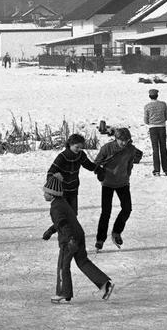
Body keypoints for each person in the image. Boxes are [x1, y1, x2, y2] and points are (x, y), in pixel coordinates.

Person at [42, 176, 114, 304]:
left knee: (63, 266)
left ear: (52, 194)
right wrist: (50, 231)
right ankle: (105, 285)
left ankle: (63, 293)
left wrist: (70, 239)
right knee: (83, 262)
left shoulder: (55, 208)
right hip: (79, 235)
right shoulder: (62, 202)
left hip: (69, 240)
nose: (44, 194)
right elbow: (63, 222)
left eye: (46, 192)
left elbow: (64, 225)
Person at [42, 134, 100, 240]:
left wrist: (98, 169)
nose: (79, 149)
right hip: (62, 192)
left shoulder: (80, 155)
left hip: (73, 189)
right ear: (70, 144)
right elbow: (51, 172)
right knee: (64, 216)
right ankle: (64, 236)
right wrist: (51, 187)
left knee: (72, 215)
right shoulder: (62, 156)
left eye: (81, 147)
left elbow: (88, 165)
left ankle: (53, 230)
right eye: (77, 147)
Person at [94, 127, 138, 251]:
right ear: (116, 139)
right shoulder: (107, 148)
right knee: (106, 212)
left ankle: (116, 232)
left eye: (126, 140)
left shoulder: (130, 149)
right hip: (107, 183)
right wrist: (100, 171)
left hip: (123, 183)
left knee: (127, 209)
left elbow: (130, 163)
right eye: (121, 141)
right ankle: (100, 239)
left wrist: (127, 174)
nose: (124, 143)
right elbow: (97, 162)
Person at [144, 89, 167, 176]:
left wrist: (152, 122)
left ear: (149, 96)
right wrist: (161, 121)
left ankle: (157, 170)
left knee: (155, 149)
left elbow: (145, 120)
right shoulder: (163, 104)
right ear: (157, 95)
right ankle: (165, 169)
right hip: (162, 127)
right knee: (163, 148)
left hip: (152, 128)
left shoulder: (147, 106)